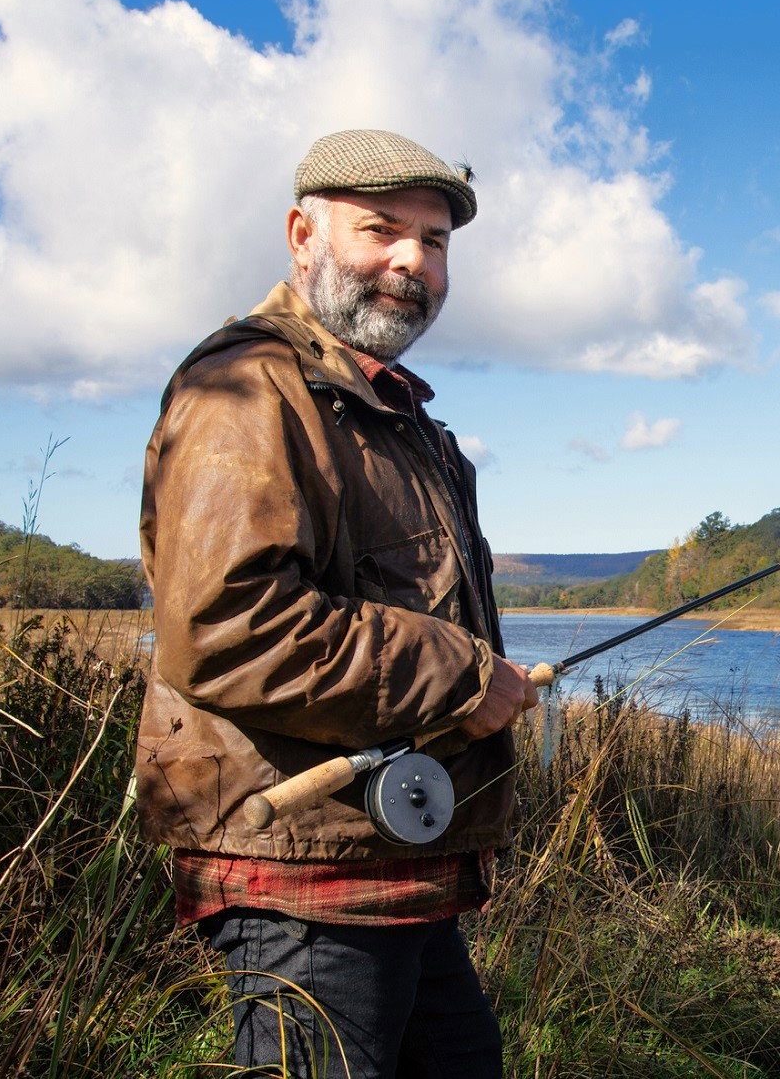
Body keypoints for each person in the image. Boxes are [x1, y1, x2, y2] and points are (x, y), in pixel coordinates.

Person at [136, 128, 538, 1077]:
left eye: (434, 242)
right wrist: (462, 677)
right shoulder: (246, 389)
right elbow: (230, 629)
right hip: (300, 881)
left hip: (392, 867)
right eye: (382, 230)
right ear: (301, 234)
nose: (412, 260)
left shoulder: (399, 417)